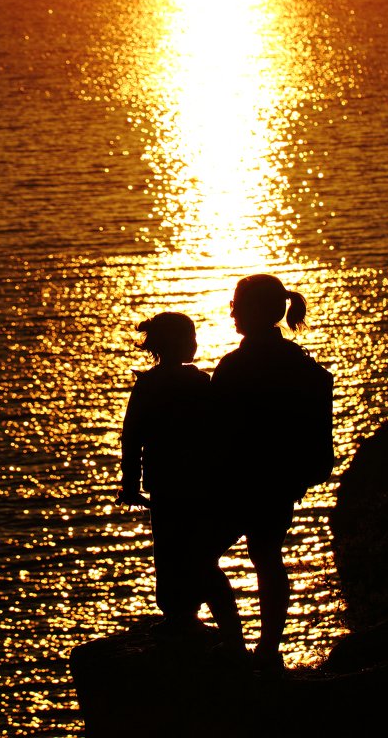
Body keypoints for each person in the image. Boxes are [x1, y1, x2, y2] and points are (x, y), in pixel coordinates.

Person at [211, 274, 334, 674]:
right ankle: (267, 650)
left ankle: (233, 643)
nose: (232, 312)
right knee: (267, 556)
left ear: (253, 311)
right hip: (282, 480)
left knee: (198, 556)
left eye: (236, 305)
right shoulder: (298, 362)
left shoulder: (235, 366)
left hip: (241, 481)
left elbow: (216, 427)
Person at [116, 311, 245, 655]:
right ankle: (210, 625)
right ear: (177, 344)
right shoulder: (200, 383)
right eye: (190, 337)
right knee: (195, 555)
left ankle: (180, 616)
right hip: (200, 485)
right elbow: (220, 432)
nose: (194, 343)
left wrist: (130, 483)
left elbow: (132, 438)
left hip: (167, 485)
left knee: (171, 552)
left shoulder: (148, 385)